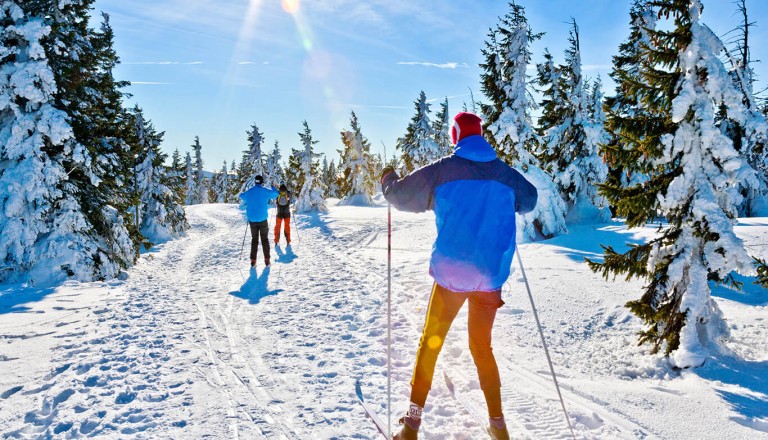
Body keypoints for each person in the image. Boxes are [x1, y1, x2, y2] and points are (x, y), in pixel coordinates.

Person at [381, 112, 538, 440]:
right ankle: (498, 426)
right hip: (489, 279)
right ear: (480, 136)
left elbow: (400, 196)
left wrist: (388, 179)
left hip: (451, 277)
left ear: (456, 136)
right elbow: (530, 200)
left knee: (431, 344)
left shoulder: (442, 171)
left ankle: (411, 425)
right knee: (481, 347)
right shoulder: (504, 174)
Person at [239, 175, 279, 267]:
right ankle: (267, 260)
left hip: (252, 219)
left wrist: (244, 193)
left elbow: (241, 195)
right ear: (262, 182)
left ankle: (253, 261)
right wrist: (272, 186)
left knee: (254, 240)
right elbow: (276, 194)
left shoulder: (250, 192)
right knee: (264, 239)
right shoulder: (264, 191)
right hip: (262, 219)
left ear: (255, 182)